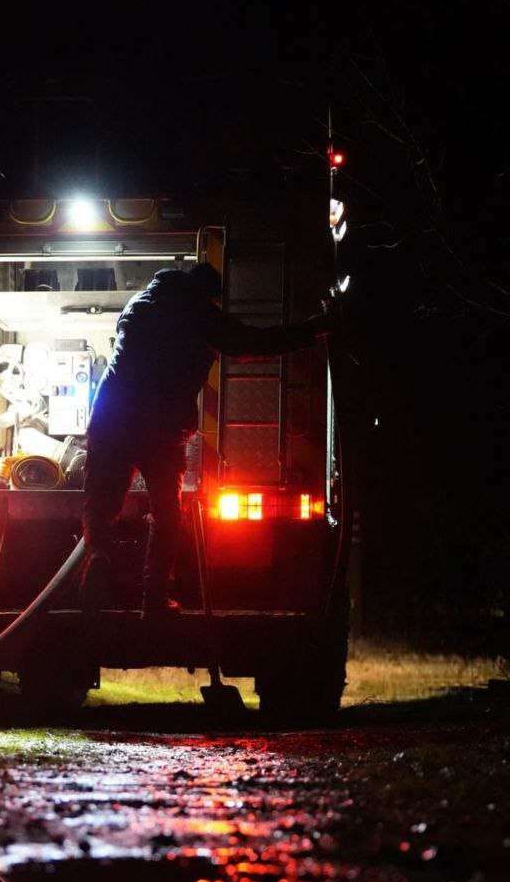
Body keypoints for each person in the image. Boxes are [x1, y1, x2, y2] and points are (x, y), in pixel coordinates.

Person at [82, 263, 328, 617]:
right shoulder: (197, 313)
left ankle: (95, 575)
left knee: (100, 510)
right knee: (166, 513)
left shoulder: (139, 302)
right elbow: (252, 343)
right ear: (205, 295)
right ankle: (154, 598)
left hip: (109, 419)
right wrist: (313, 330)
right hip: (158, 429)